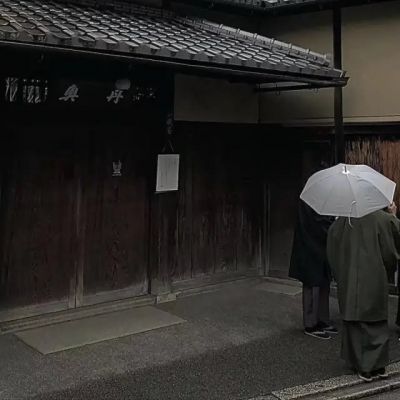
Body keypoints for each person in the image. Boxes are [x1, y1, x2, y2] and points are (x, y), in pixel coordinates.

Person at [327, 203, 400, 382]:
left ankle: (360, 365)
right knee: (376, 321)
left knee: (354, 322)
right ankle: (377, 366)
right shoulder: (382, 218)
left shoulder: (343, 221)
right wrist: (393, 214)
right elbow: (392, 249)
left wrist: (340, 272)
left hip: (349, 276)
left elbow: (332, 250)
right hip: (374, 275)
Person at [289, 200, 337, 340]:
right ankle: (310, 323)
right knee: (312, 283)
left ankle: (322, 319)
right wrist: (334, 224)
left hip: (321, 245)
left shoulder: (320, 194)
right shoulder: (308, 198)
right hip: (310, 244)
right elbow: (316, 220)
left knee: (324, 282)